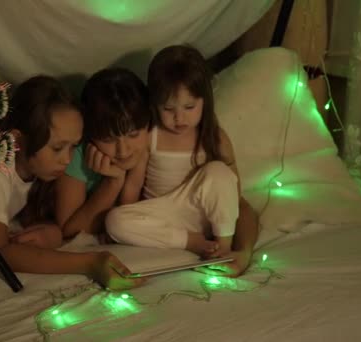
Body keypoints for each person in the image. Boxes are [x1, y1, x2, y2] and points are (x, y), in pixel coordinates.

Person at [0, 75, 143, 290]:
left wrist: (54, 233)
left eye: (73, 147)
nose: (67, 160)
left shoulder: (41, 169)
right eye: (58, 148)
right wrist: (91, 262)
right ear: (18, 140)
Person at [105, 45, 259, 274]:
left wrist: (227, 219)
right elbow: (134, 185)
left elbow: (231, 190)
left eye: (189, 107)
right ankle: (192, 241)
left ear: (204, 101)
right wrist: (131, 218)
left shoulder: (214, 137)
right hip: (163, 213)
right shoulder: (151, 136)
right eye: (168, 108)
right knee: (114, 220)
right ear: (155, 104)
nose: (179, 118)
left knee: (219, 172)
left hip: (203, 213)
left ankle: (222, 248)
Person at [55, 68, 151, 241]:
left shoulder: (156, 141)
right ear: (91, 135)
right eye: (108, 140)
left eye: (134, 134)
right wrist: (113, 182)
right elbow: (69, 232)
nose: (123, 150)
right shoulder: (78, 155)